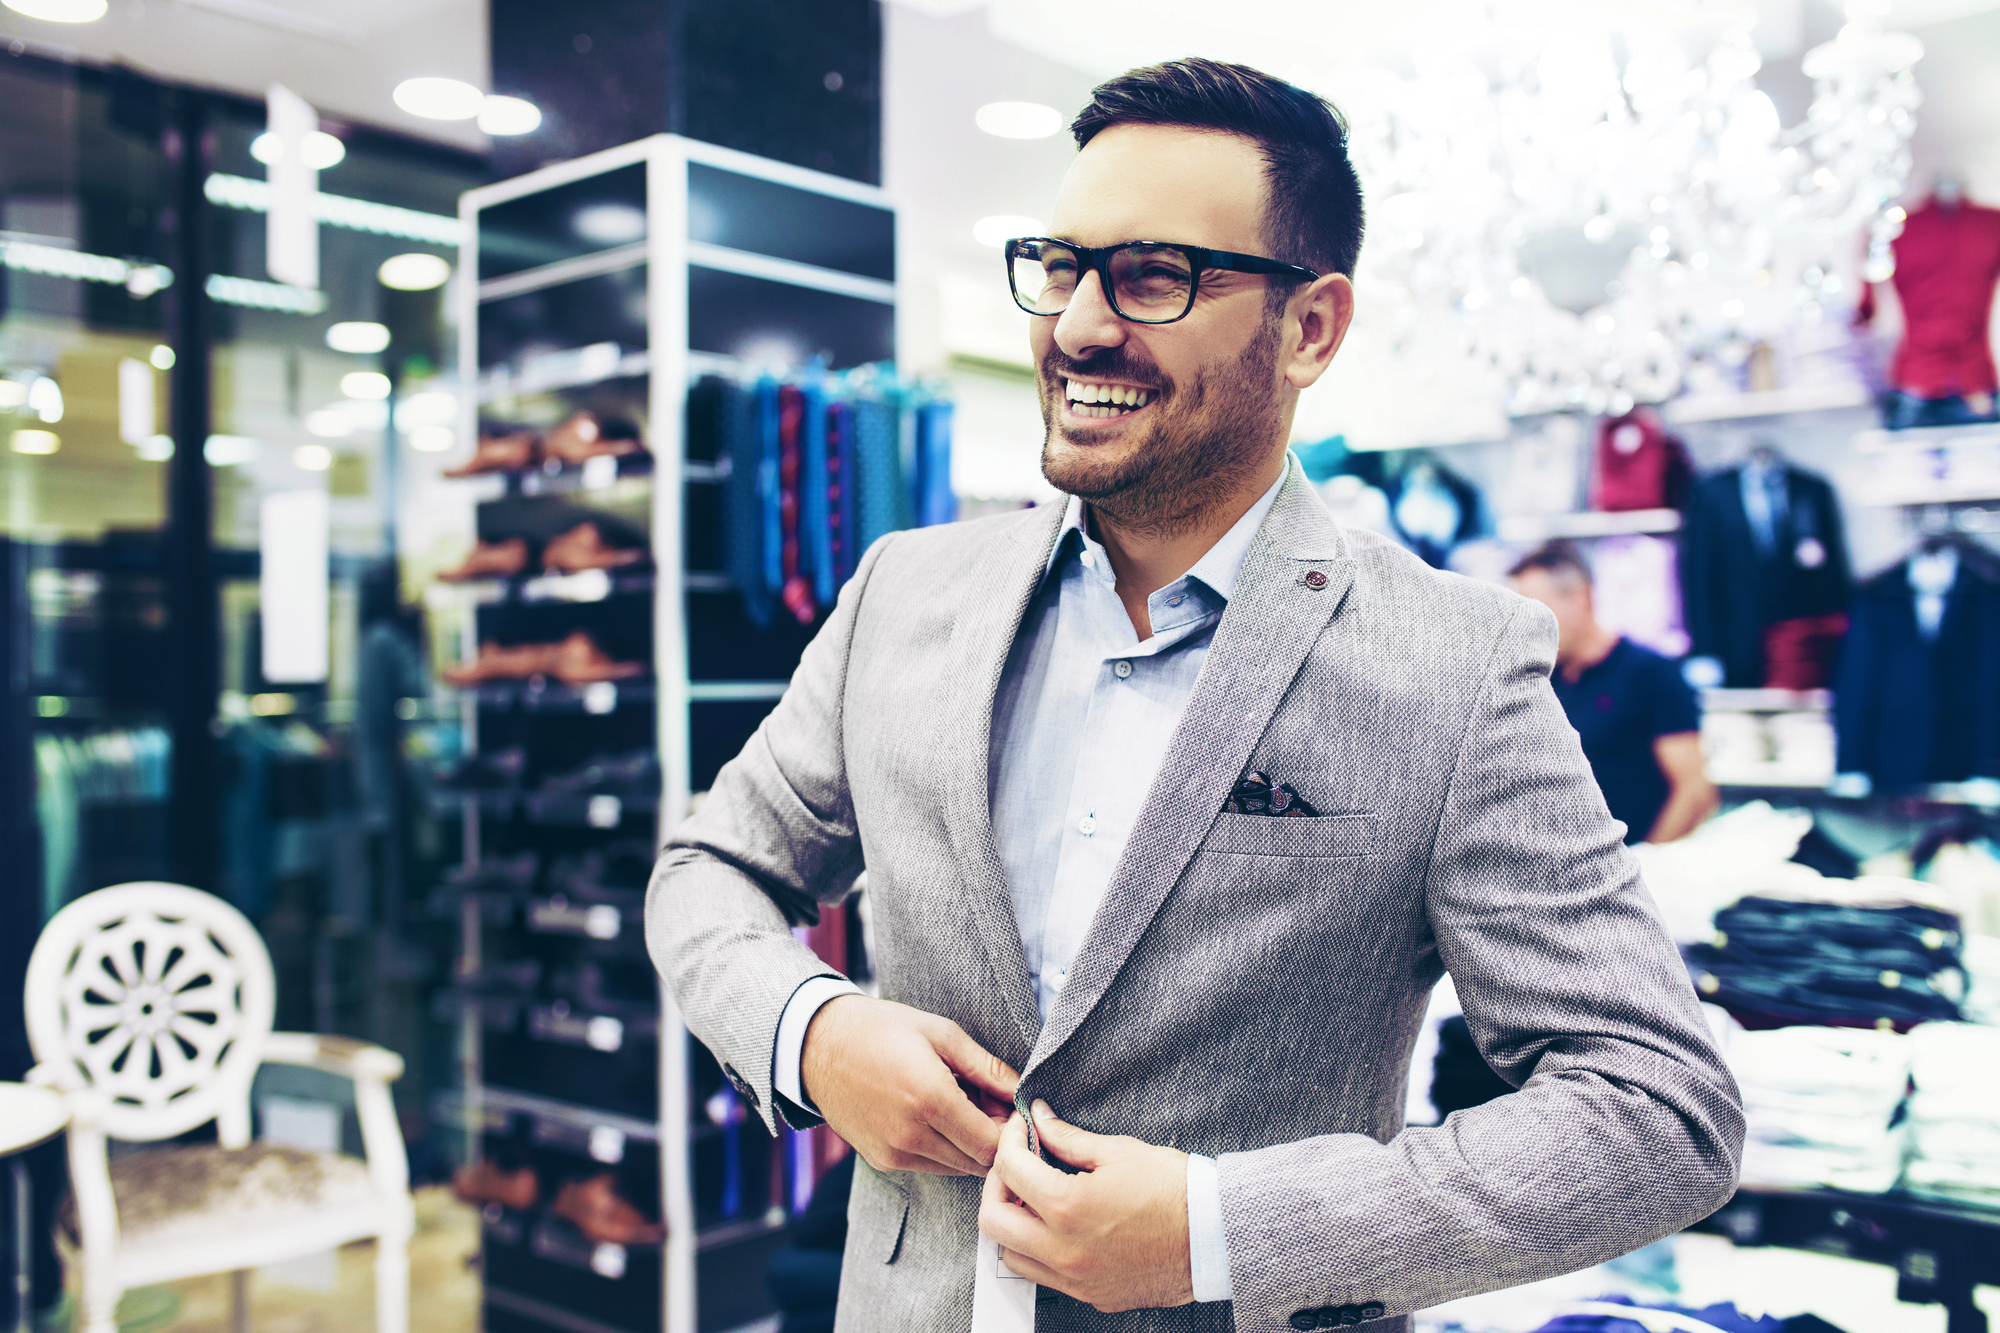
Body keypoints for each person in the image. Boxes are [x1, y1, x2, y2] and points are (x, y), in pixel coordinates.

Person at [648, 58, 1742, 1333]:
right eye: (1062, 266)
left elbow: (1656, 1107)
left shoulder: (1451, 668)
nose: (1075, 327)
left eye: (1152, 277)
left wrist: (1222, 1230)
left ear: (1310, 327)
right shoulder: (904, 593)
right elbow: (709, 869)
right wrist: (812, 1032)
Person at [1509, 542, 1719, 844]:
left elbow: (1694, 792)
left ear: (1580, 598)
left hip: (1637, 871)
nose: (1524, 626)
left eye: (1533, 609)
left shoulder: (1649, 673)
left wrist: (1640, 872)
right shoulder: (1543, 683)